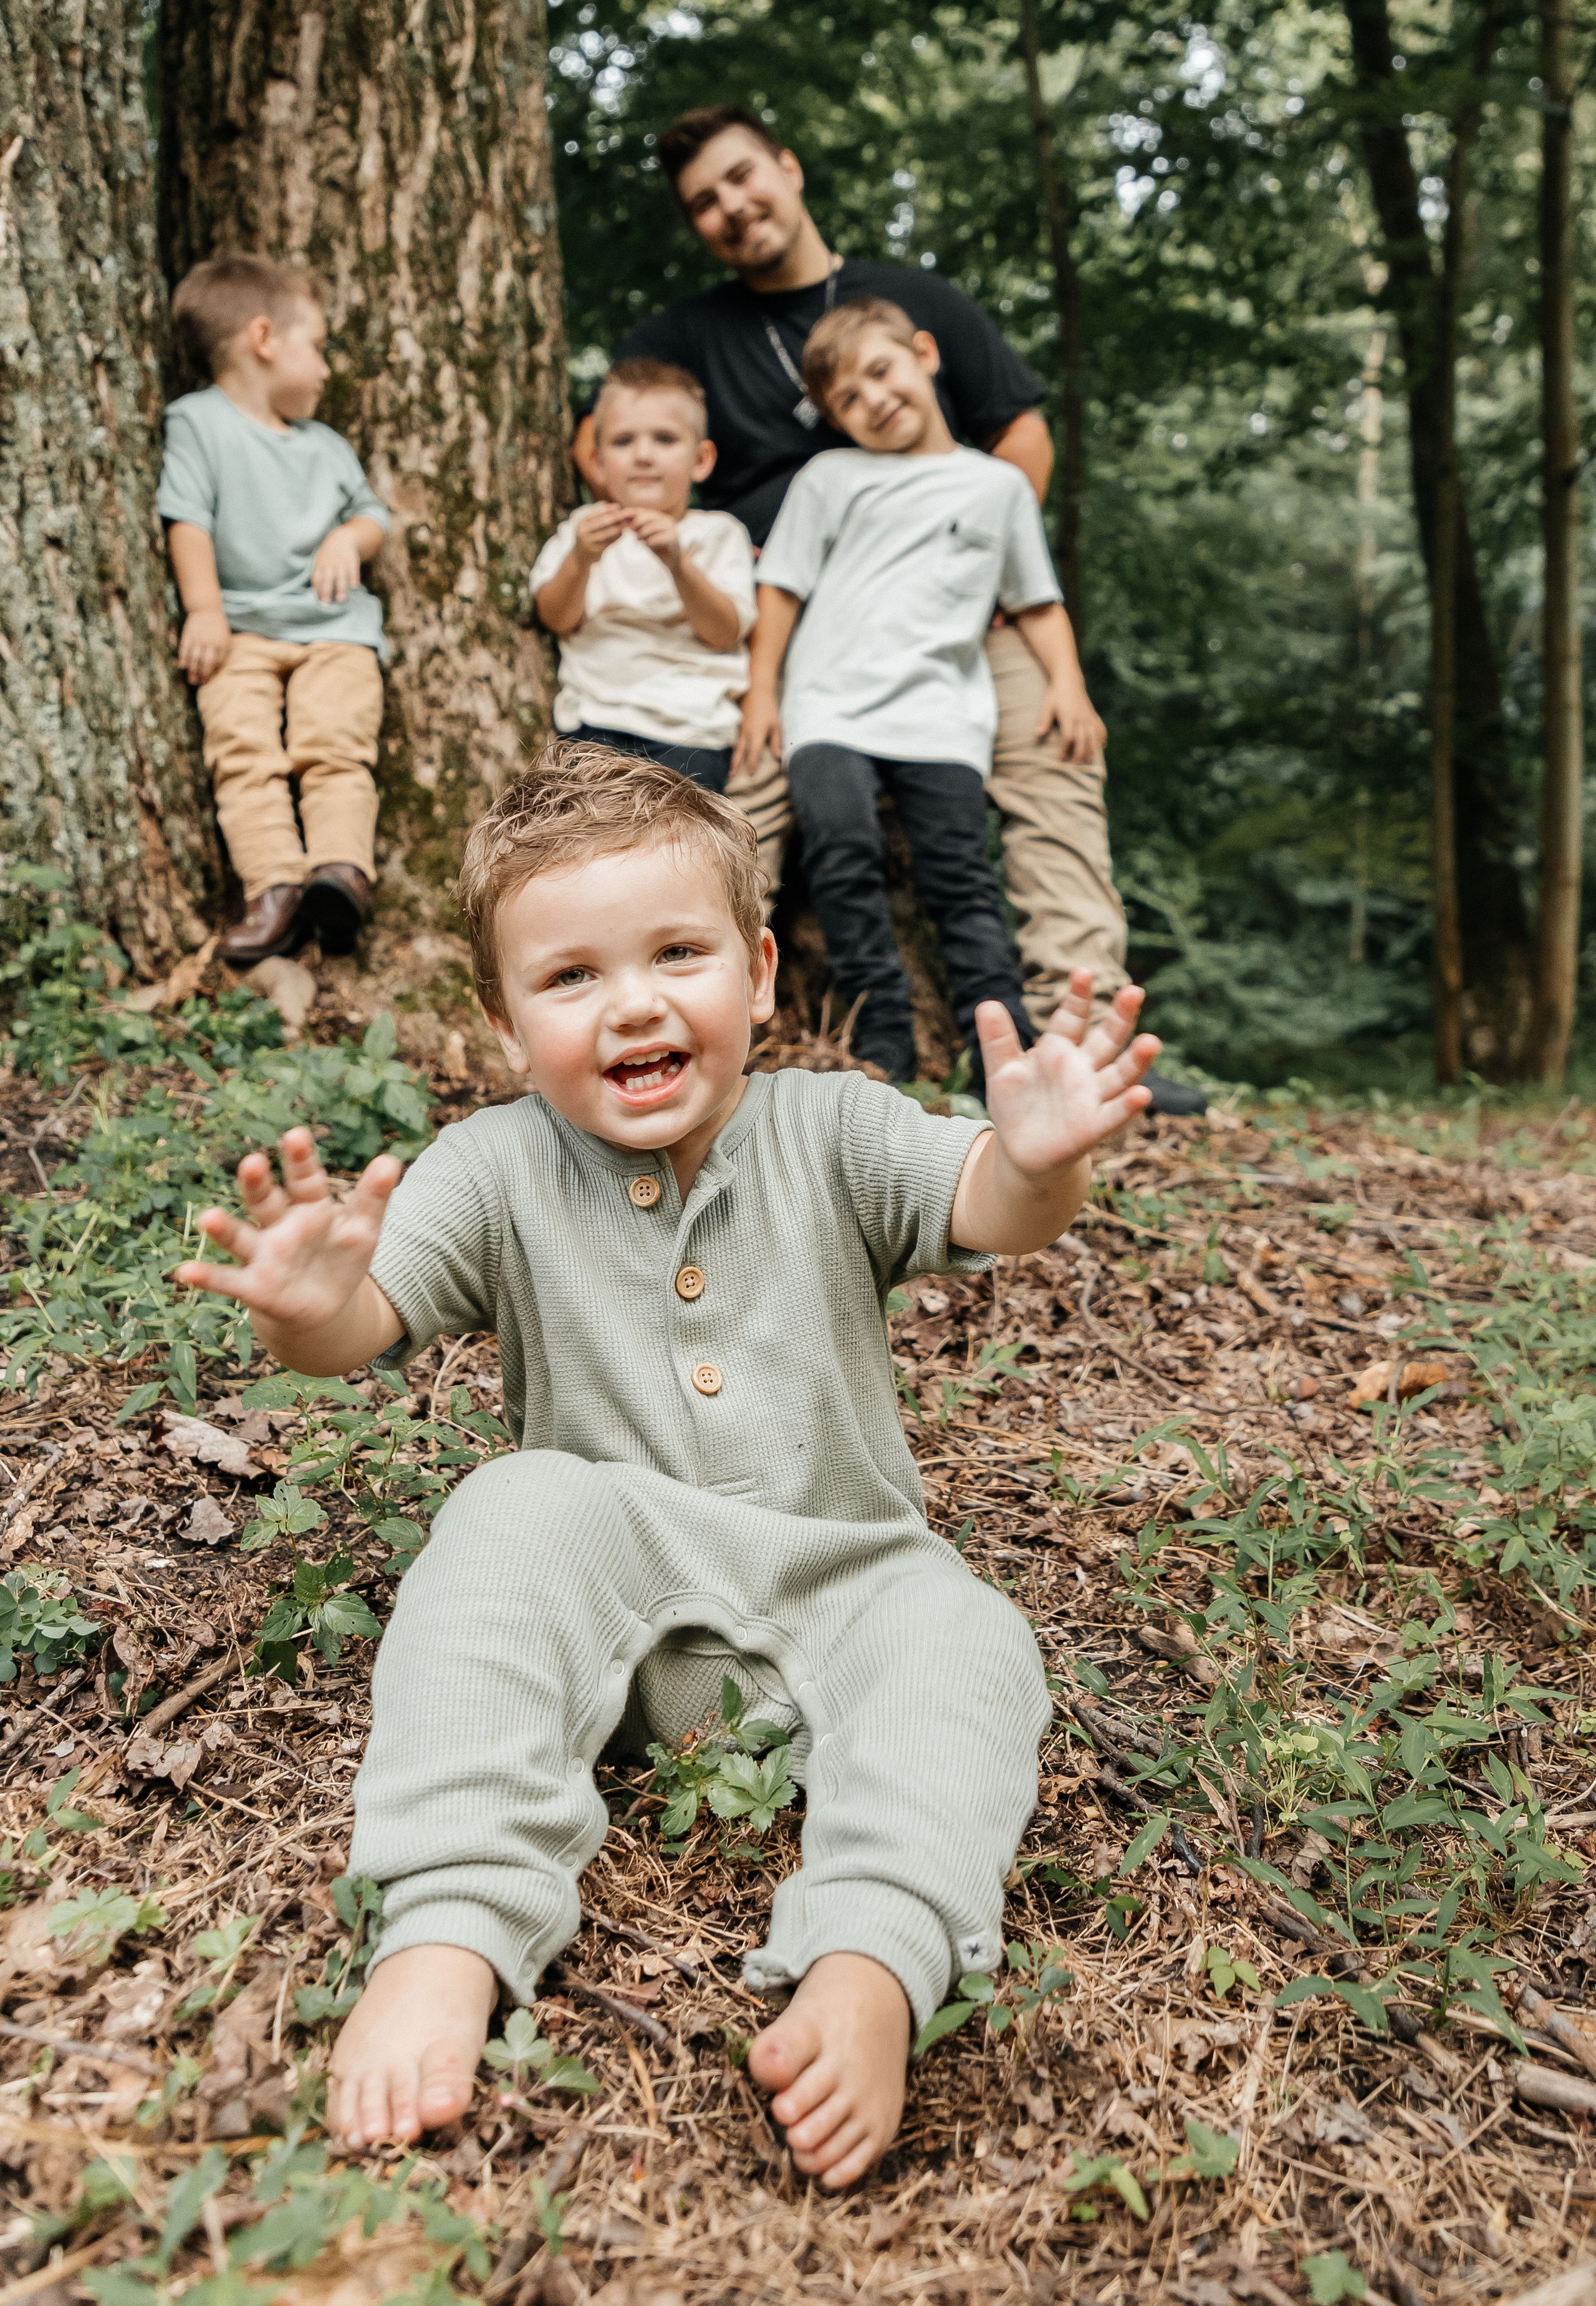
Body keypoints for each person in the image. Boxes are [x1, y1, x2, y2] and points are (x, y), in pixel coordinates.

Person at [175, 740, 1163, 2188]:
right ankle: (451, 1922)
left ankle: (872, 1956)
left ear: (758, 973)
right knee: (512, 1504)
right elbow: (366, 1317)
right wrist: (308, 1301)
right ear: (506, 1019)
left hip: (847, 1593)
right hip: (616, 1625)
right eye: (568, 977)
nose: (631, 1000)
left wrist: (1039, 1156)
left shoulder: (831, 1125)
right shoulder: (493, 1167)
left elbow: (985, 1203)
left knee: (967, 1631)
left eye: (676, 954)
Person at [573, 103, 1204, 1115]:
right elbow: (603, 436)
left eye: (743, 178)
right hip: (793, 625)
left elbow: (1022, 437)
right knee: (739, 795)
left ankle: (1078, 1040)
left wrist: (976, 574)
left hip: (962, 611)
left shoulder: (912, 303)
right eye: (704, 203)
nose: (733, 208)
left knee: (1054, 745)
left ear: (789, 165)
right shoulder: (689, 336)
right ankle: (690, 1026)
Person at [742, 298, 1084, 1090]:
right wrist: (764, 691)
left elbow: (1034, 600)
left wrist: (1066, 682)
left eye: (881, 372)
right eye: (848, 400)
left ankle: (999, 1045)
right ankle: (883, 1030)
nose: (874, 400)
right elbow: (781, 589)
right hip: (829, 706)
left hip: (941, 716)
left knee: (961, 876)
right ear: (835, 421)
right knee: (841, 848)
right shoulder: (830, 479)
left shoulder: (996, 487)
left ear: (924, 354)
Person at [158, 253, 390, 967]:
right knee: (243, 754)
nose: (325, 370)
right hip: (240, 632)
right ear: (264, 338)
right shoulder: (198, 424)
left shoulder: (326, 447)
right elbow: (187, 520)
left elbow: (374, 517)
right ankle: (276, 889)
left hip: (335, 631)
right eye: (316, 347)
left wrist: (348, 539)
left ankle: (339, 873)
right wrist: (203, 611)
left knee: (336, 747)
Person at [529, 360, 755, 793]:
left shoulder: (717, 534)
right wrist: (580, 559)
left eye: (665, 439)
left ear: (701, 459)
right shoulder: (583, 529)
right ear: (597, 461)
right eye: (623, 441)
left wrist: (678, 563)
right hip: (593, 727)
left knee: (678, 847)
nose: (643, 455)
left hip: (691, 732)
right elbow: (556, 617)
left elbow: (725, 632)